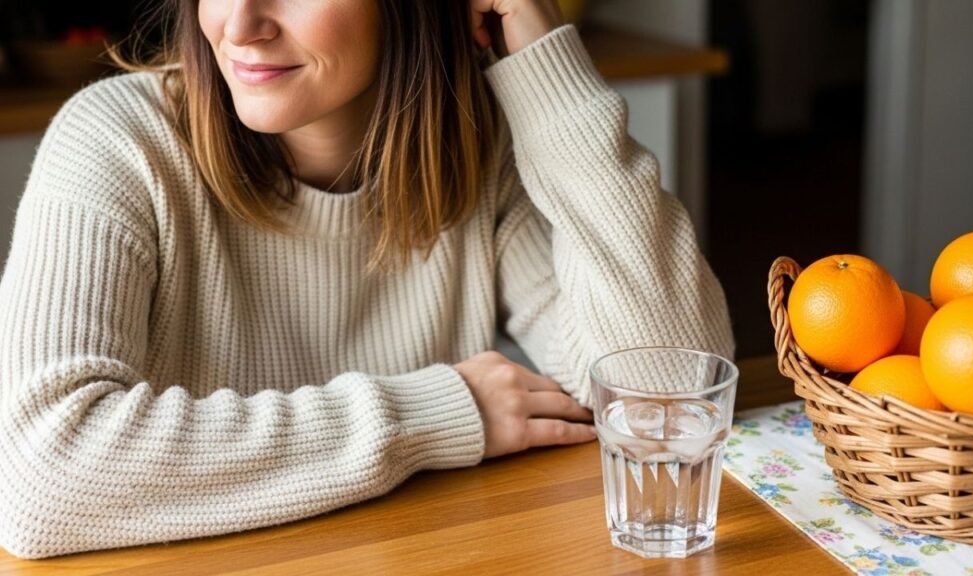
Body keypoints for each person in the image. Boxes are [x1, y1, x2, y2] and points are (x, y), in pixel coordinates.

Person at [0, 0, 733, 559]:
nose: (241, 24)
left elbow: (668, 404)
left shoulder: (482, 150)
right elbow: (38, 477)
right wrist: (434, 414)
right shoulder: (115, 138)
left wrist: (549, 74)